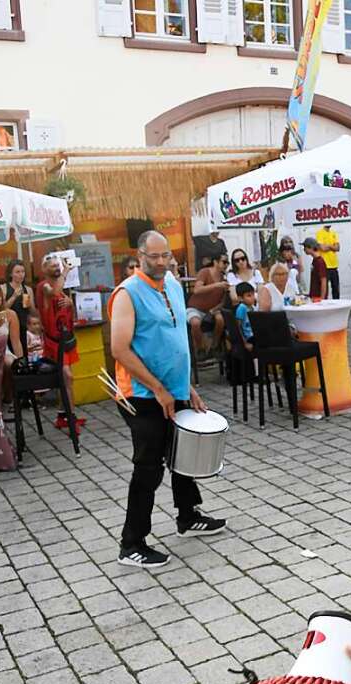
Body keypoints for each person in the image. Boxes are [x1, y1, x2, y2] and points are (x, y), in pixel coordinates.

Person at [109, 231, 226, 568]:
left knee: (183, 454)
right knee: (148, 468)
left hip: (174, 389)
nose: (160, 262)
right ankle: (132, 543)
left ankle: (188, 516)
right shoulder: (127, 294)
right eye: (153, 257)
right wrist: (158, 387)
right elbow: (119, 348)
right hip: (142, 394)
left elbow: (175, 338)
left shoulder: (173, 284)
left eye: (166, 256)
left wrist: (184, 385)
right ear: (140, 254)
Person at [36, 253, 85, 430]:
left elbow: (64, 302)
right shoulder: (44, 286)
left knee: (67, 381)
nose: (56, 268)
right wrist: (65, 271)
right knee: (67, 377)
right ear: (43, 269)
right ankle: (70, 419)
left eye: (58, 265)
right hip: (54, 342)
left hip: (66, 339)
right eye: (52, 266)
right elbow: (54, 293)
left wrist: (70, 303)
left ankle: (63, 416)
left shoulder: (59, 286)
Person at [186, 251, 229, 356]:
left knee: (220, 320)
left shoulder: (225, 278)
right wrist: (217, 285)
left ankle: (214, 346)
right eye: (224, 262)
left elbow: (223, 300)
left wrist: (214, 309)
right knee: (195, 323)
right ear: (215, 262)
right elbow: (197, 289)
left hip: (213, 309)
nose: (226, 265)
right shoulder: (204, 272)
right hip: (195, 308)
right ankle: (200, 349)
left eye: (228, 263)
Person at [3, 259, 34, 352]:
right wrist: (14, 296)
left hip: (24, 328)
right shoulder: (3, 288)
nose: (21, 274)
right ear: (10, 274)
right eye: (17, 272)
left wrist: (29, 305)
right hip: (9, 329)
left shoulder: (28, 290)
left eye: (23, 272)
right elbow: (1, 310)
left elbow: (32, 311)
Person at [315, 223, 341, 299]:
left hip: (334, 265)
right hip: (325, 266)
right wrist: (332, 246)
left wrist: (328, 245)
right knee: (325, 289)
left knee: (336, 288)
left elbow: (338, 248)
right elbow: (322, 248)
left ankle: (337, 305)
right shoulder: (320, 233)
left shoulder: (333, 233)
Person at [234, 282, 256, 351]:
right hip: (249, 337)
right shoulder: (242, 308)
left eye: (253, 295)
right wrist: (245, 343)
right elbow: (238, 327)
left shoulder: (252, 307)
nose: (253, 297)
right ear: (240, 298)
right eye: (249, 295)